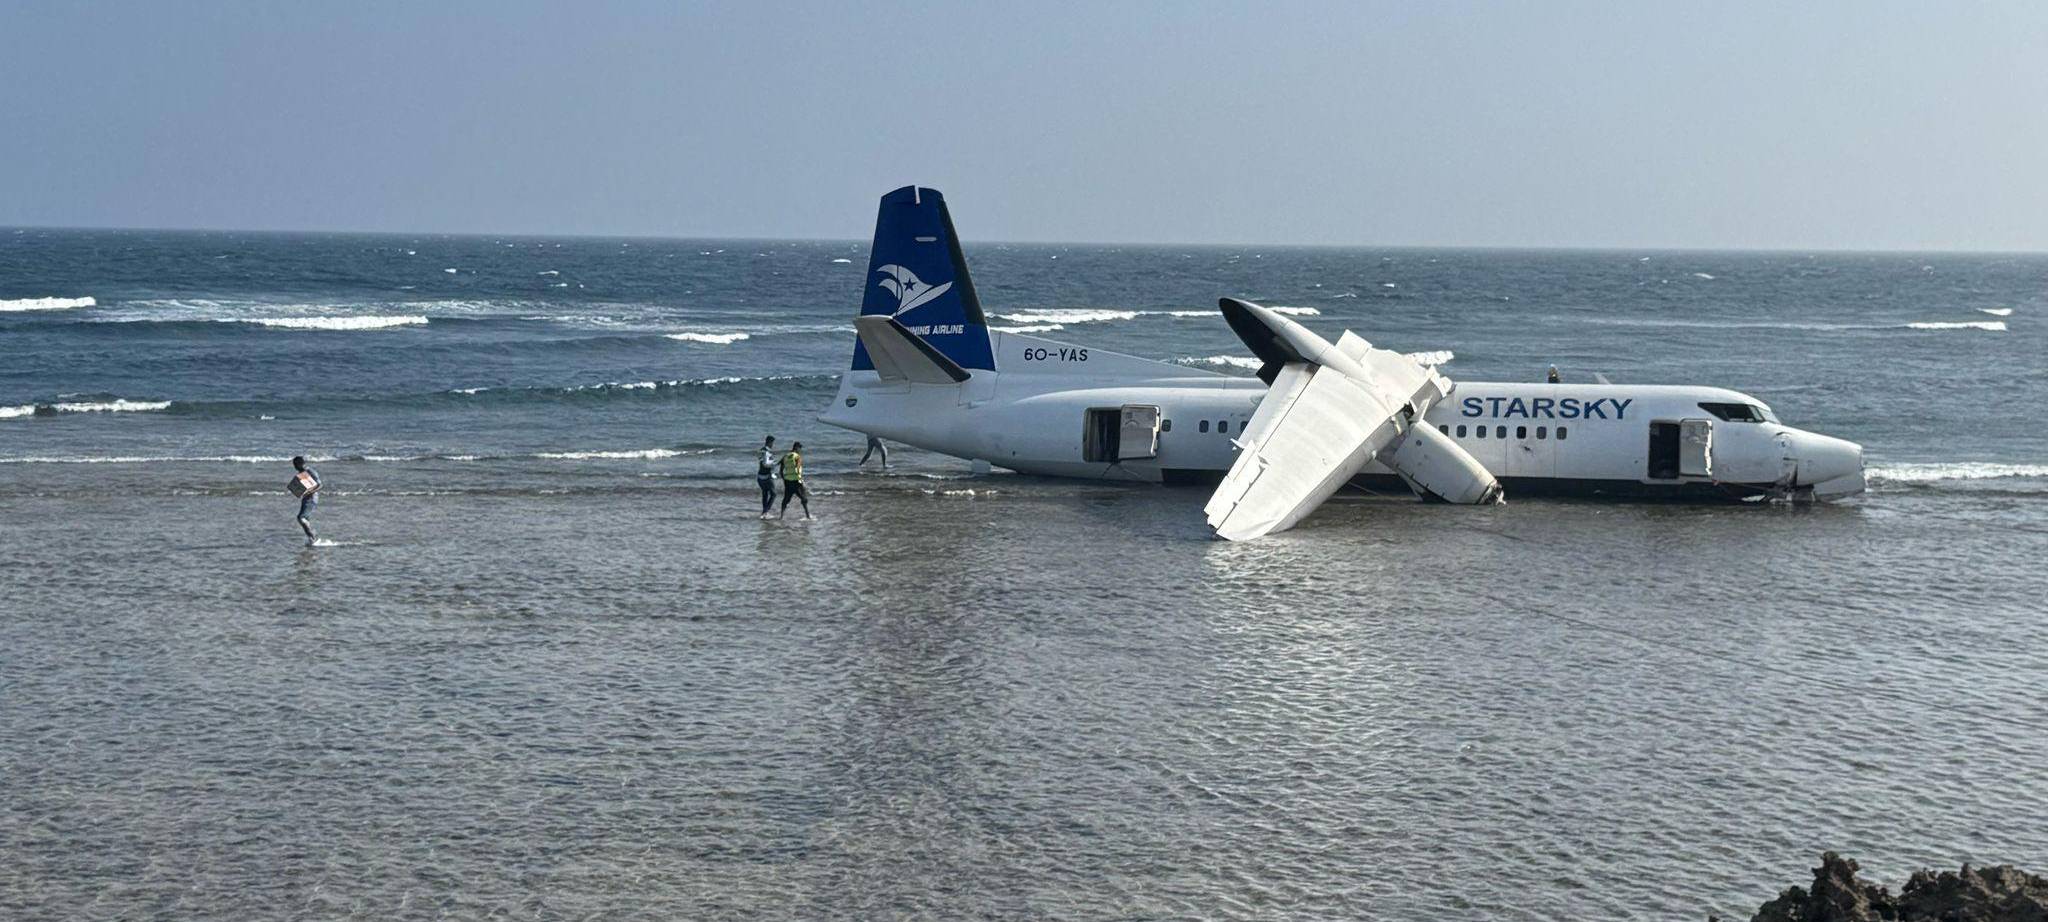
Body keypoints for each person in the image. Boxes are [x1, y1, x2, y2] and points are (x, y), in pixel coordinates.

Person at [290, 456, 322, 545]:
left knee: (301, 518)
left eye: (295, 465)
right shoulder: (301, 473)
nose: (295, 467)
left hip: (311, 498)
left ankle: (313, 538)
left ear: (299, 464)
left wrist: (310, 492)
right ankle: (312, 539)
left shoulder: (309, 471)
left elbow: (320, 485)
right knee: (305, 519)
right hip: (306, 498)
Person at [778, 440, 811, 519]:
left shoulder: (785, 456)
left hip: (788, 481)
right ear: (796, 448)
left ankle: (781, 516)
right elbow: (798, 469)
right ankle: (808, 516)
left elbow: (781, 471)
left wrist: (784, 479)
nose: (800, 450)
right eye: (800, 448)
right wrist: (801, 481)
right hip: (796, 481)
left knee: (786, 500)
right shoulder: (797, 456)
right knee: (804, 499)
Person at [756, 436, 778, 519]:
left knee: (765, 494)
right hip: (767, 477)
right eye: (772, 443)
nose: (773, 445)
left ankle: (764, 512)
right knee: (774, 494)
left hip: (760, 477)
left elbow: (760, 461)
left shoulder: (761, 450)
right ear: (770, 442)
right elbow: (765, 464)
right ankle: (766, 512)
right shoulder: (767, 451)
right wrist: (774, 463)